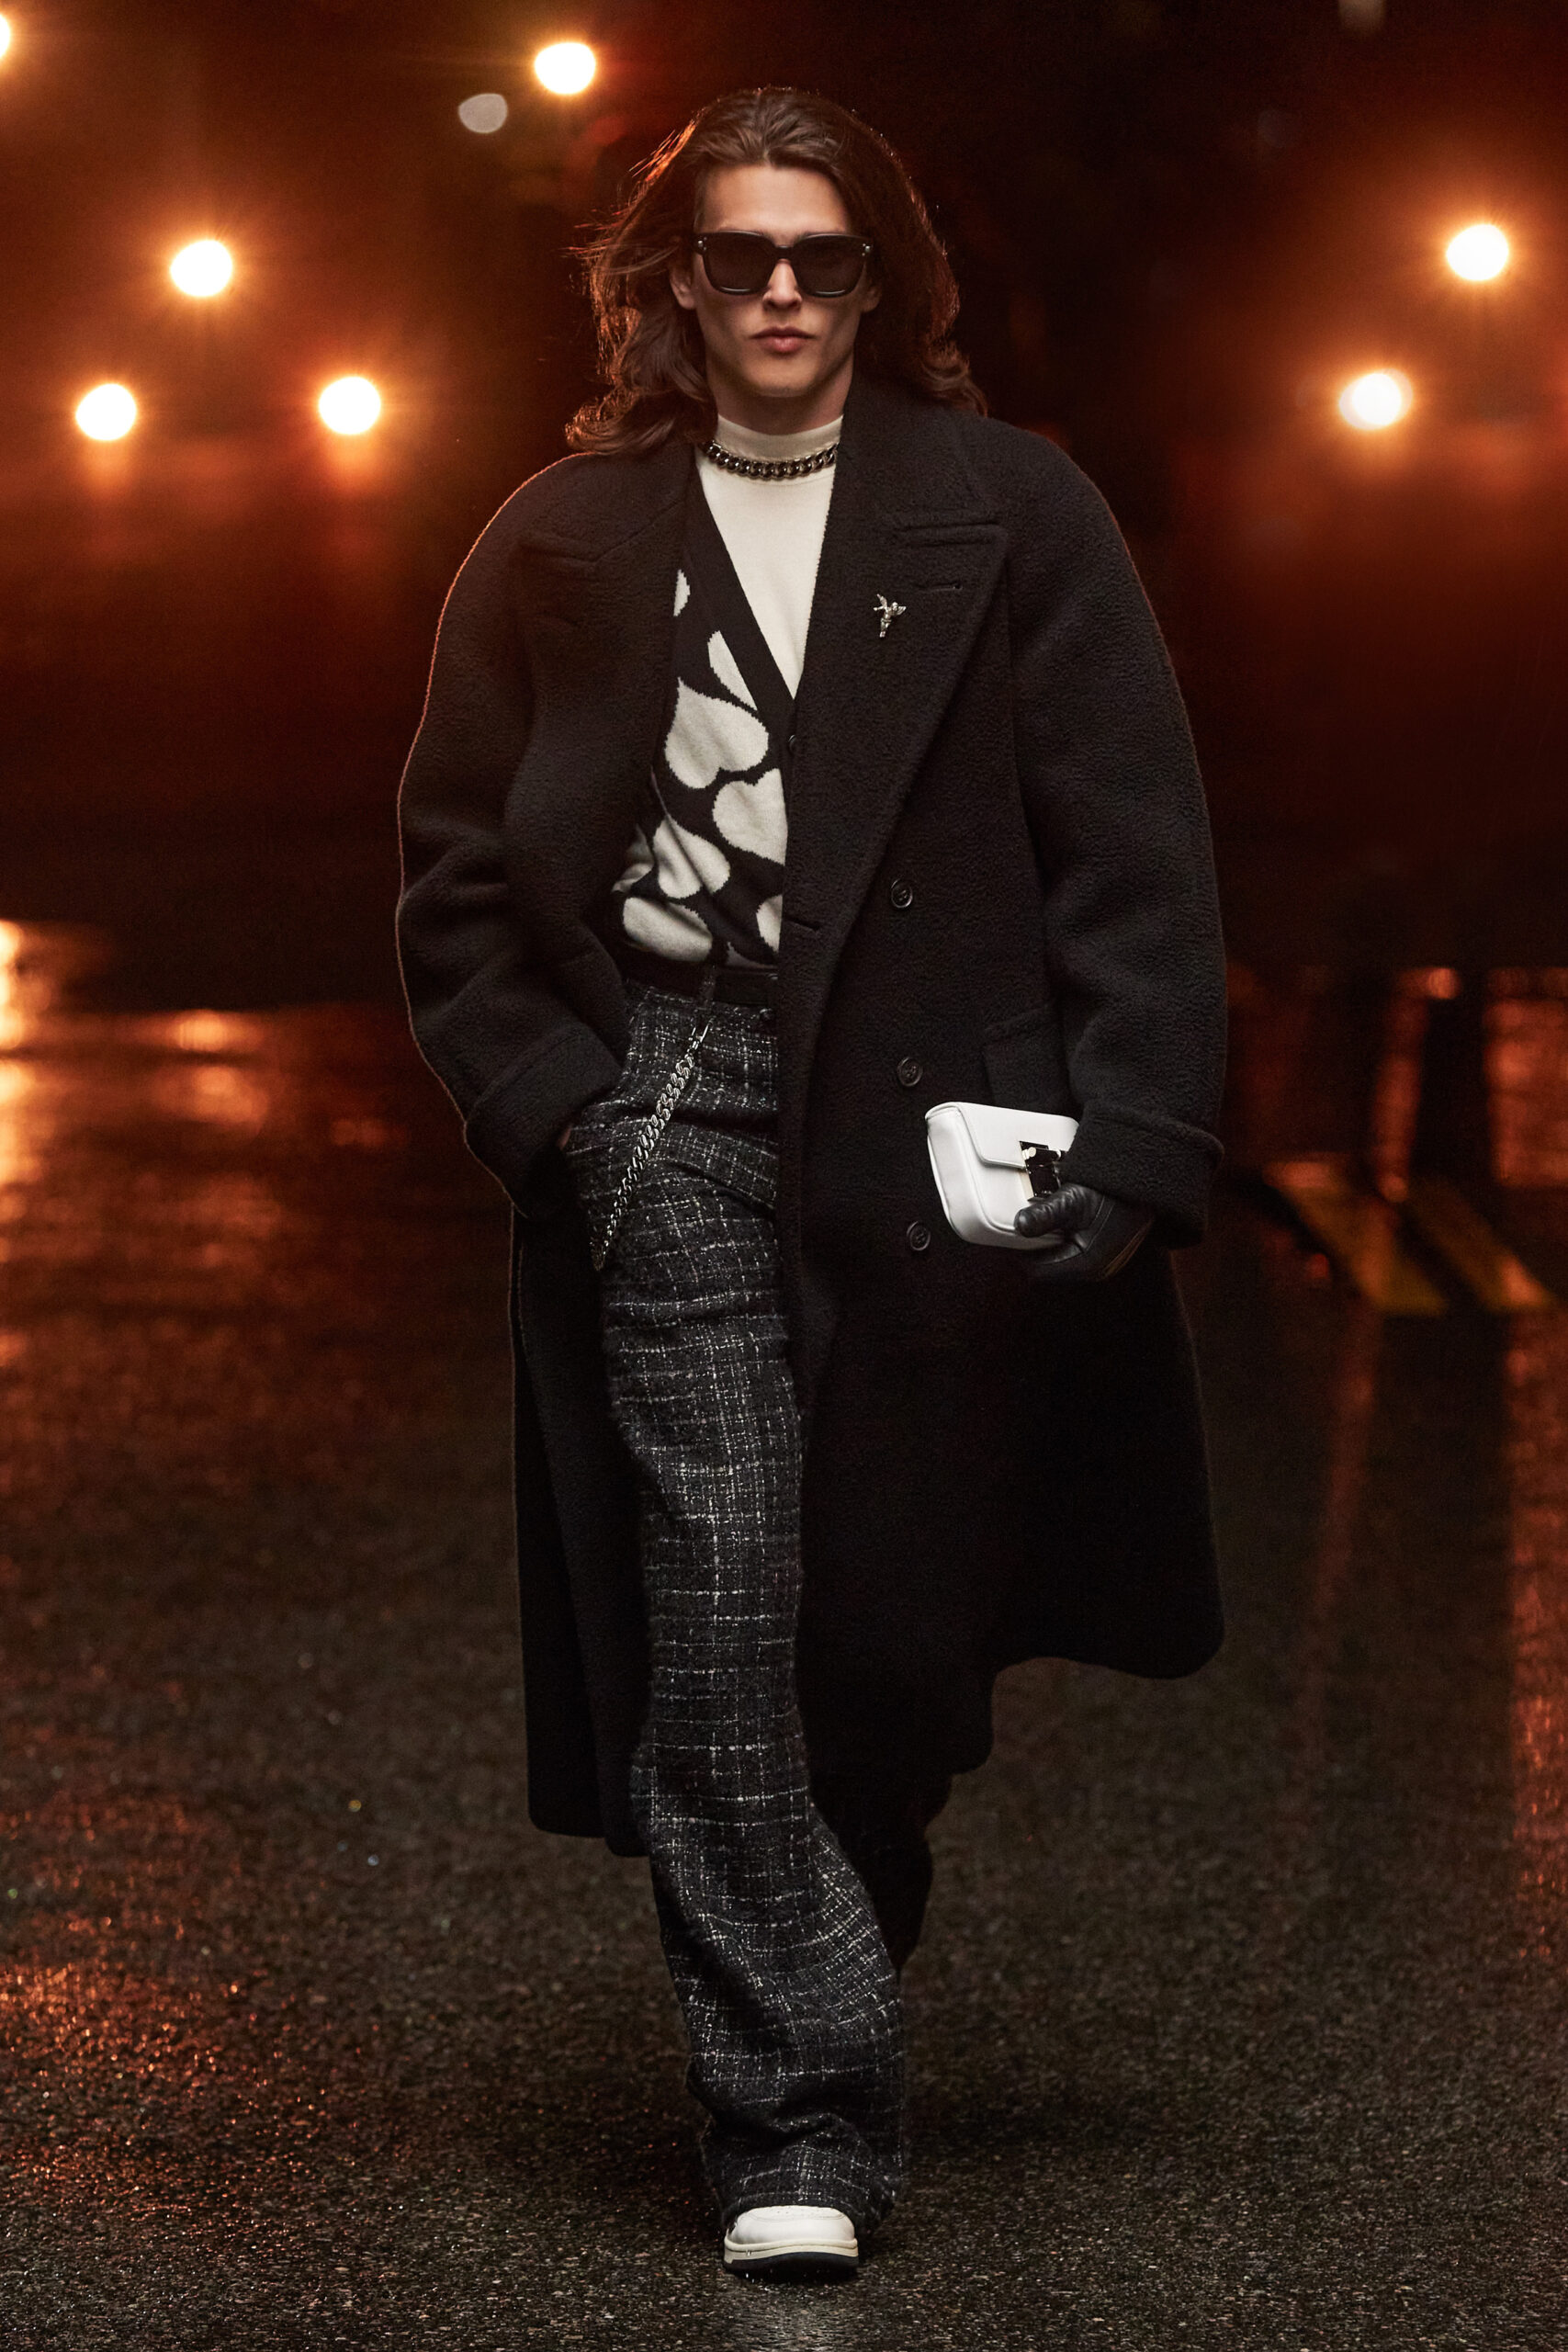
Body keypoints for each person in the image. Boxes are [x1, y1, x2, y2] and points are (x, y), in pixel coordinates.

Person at [397, 85, 1226, 2281]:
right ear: (670, 281)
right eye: (737, 253)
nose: (777, 290)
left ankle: (820, 1938)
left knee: (883, 1630)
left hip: (931, 1121)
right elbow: (456, 860)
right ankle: (797, 2115)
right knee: (723, 1592)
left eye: (819, 255)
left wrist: (1133, 1125)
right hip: (665, 1092)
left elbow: (1128, 838)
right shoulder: (564, 533)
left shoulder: (1007, 509)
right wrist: (559, 1097)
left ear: (879, 281)